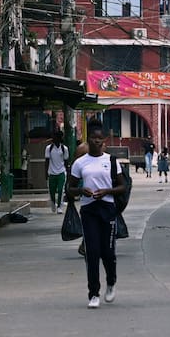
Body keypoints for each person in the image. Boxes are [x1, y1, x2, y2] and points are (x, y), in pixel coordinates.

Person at [68, 119, 126, 309]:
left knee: (107, 252)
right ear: (88, 140)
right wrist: (81, 191)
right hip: (89, 209)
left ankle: (111, 282)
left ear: (105, 140)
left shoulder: (111, 161)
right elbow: (70, 188)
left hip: (107, 209)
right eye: (93, 138)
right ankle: (93, 293)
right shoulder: (80, 163)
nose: (97, 142)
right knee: (92, 252)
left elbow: (122, 186)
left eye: (100, 139)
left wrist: (107, 191)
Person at [45, 131, 70, 214]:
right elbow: (47, 161)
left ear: (60, 138)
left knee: (60, 190)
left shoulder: (64, 149)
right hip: (51, 173)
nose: (55, 139)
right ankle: (53, 203)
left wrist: (68, 173)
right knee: (51, 191)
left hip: (61, 172)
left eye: (57, 137)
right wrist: (46, 173)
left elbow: (66, 162)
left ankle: (59, 206)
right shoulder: (49, 148)